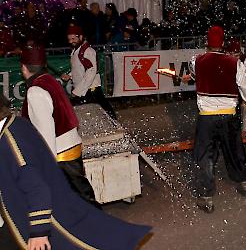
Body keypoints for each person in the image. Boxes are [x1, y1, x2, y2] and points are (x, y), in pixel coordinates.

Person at [0, 94, 152, 250]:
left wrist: (39, 232)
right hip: (16, 213)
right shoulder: (16, 124)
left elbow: (37, 189)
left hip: (32, 213)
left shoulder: (10, 142)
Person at [184, 26, 246, 213]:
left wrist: (191, 76)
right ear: (222, 43)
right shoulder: (234, 63)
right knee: (234, 149)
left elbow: (194, 73)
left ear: (207, 43)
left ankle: (206, 196)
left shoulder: (198, 61)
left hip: (207, 118)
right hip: (229, 115)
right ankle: (243, 182)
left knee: (205, 156)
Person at [19, 46, 99, 207]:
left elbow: (45, 131)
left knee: (79, 198)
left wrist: (47, 166)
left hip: (60, 153)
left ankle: (98, 226)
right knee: (80, 194)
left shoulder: (35, 90)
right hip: (70, 144)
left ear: (24, 68)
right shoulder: (49, 80)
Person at [60, 25, 117, 119]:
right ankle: (113, 124)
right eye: (69, 39)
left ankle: (115, 125)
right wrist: (70, 76)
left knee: (101, 109)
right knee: (94, 110)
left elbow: (91, 71)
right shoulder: (76, 50)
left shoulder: (87, 51)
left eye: (73, 38)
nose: (71, 41)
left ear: (81, 37)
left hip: (90, 88)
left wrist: (78, 91)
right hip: (84, 88)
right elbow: (80, 68)